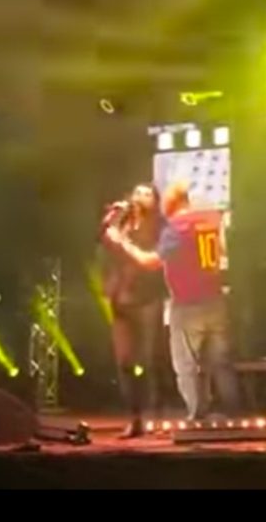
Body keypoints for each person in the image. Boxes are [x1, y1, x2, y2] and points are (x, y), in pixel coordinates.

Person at [105, 182, 242, 420]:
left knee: (186, 365)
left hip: (188, 303)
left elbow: (150, 262)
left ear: (172, 203)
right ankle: (235, 414)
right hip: (215, 299)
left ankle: (196, 414)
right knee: (221, 362)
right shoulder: (211, 219)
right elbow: (222, 253)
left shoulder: (176, 228)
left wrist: (122, 243)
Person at [99, 183, 168, 438]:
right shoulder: (123, 222)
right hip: (121, 299)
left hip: (148, 298)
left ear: (155, 201)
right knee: (125, 361)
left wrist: (123, 242)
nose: (141, 196)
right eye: (138, 192)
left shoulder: (160, 228)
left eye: (147, 194)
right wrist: (110, 219)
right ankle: (134, 418)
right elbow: (104, 243)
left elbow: (152, 261)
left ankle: (156, 416)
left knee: (150, 360)